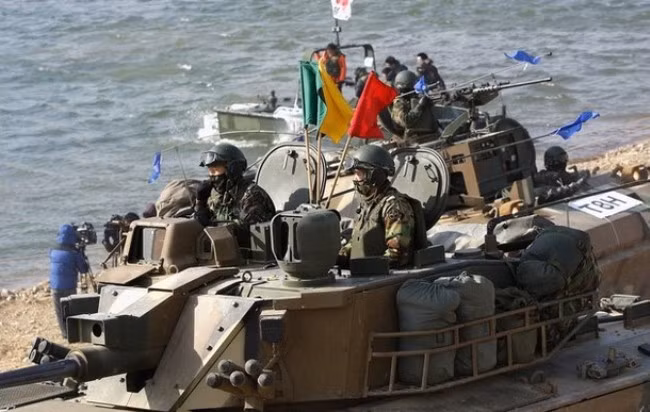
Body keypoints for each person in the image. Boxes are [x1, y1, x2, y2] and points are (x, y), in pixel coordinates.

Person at [338, 145, 416, 268]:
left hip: (384, 273)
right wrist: (340, 257)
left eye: (359, 173)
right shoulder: (367, 203)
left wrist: (364, 267)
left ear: (373, 175)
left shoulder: (394, 206)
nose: (355, 179)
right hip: (364, 269)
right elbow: (357, 242)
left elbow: (397, 253)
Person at [194, 143, 276, 246]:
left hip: (248, 251)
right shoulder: (216, 195)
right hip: (222, 247)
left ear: (232, 169)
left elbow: (247, 233)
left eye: (215, 170)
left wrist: (211, 225)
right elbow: (206, 218)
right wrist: (200, 202)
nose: (212, 177)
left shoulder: (252, 195)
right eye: (210, 171)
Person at [49, 224, 89, 339]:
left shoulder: (52, 250)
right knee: (71, 310)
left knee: (59, 311)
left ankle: (64, 333)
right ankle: (74, 333)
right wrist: (81, 253)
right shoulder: (74, 253)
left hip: (55, 286)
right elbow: (84, 269)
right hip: (69, 287)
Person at [391, 70, 440, 145]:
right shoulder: (398, 103)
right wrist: (420, 105)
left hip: (431, 135)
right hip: (413, 140)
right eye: (412, 87)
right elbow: (407, 122)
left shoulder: (414, 98)